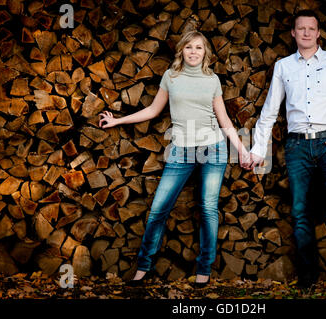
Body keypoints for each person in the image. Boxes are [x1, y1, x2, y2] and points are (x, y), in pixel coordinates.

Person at [99, 30, 250, 287]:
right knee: (158, 209)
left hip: (213, 149)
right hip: (181, 150)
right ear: (181, 50)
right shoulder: (171, 76)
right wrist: (118, 120)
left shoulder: (212, 79)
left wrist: (242, 149)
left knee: (208, 209)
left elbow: (224, 119)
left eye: (199, 48)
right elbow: (153, 110)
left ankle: (204, 269)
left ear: (206, 53)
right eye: (189, 47)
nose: (193, 52)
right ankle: (143, 267)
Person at [243, 10, 326, 287]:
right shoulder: (284, 66)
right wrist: (258, 150)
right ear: (293, 33)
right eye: (301, 29)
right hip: (296, 144)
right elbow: (270, 111)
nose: (306, 33)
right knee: (298, 212)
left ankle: (311, 204)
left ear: (318, 33)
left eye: (311, 29)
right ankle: (308, 277)